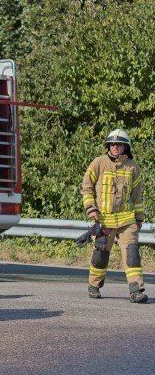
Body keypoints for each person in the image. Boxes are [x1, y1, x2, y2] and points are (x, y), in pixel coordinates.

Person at [81, 129, 147, 303]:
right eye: (112, 144)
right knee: (101, 254)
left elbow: (137, 196)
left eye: (119, 144)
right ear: (108, 146)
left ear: (126, 147)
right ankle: (94, 285)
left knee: (132, 253)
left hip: (127, 220)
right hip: (104, 220)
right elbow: (86, 187)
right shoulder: (99, 163)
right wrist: (91, 208)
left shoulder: (133, 167)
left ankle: (136, 290)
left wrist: (139, 218)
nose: (115, 146)